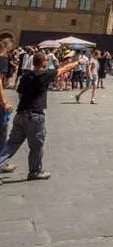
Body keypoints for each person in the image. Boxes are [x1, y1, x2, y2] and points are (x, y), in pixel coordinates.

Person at [0, 51, 80, 179]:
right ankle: (35, 171)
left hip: (21, 114)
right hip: (35, 116)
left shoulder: (25, 76)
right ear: (43, 63)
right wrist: (78, 62)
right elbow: (64, 69)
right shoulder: (45, 75)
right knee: (37, 146)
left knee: (11, 145)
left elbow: (20, 94)